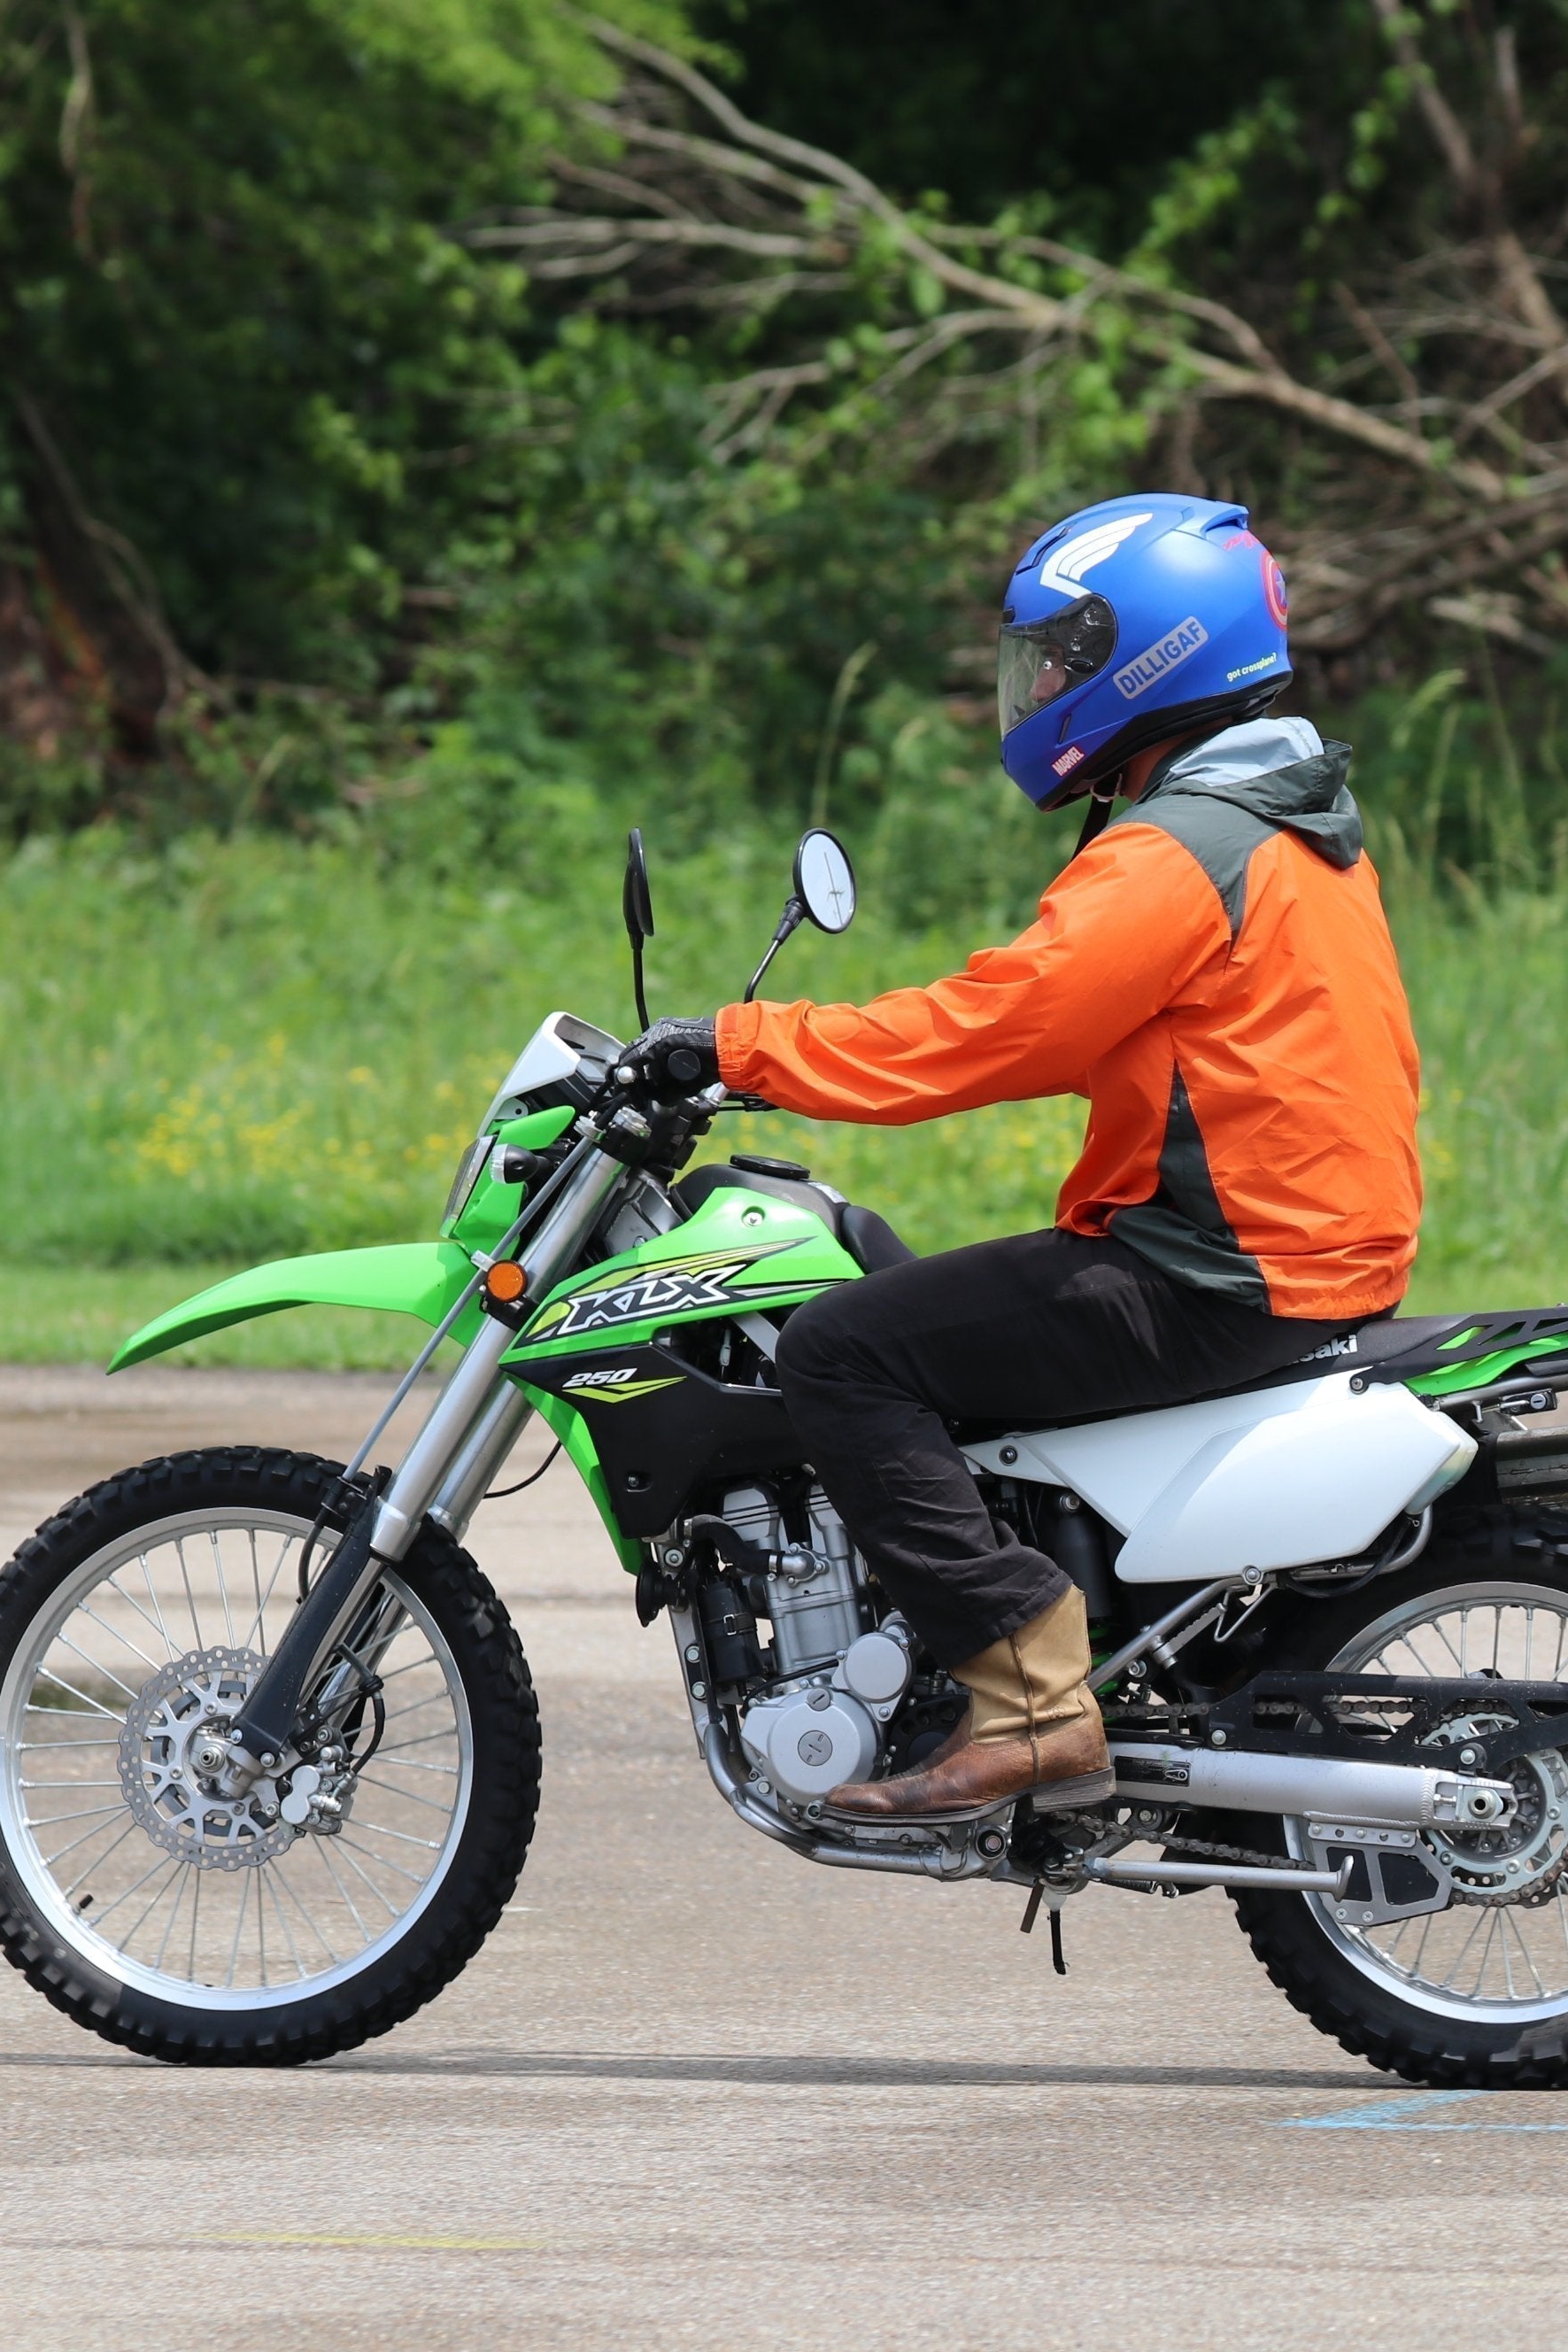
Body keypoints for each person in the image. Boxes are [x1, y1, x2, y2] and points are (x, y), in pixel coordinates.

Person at [622, 494, 1422, 1824]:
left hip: (1220, 1270)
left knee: (840, 1349)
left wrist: (739, 1046)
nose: (1041, 682)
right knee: (900, 1294)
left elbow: (989, 1030)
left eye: (1063, 652)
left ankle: (1040, 1706)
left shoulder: (1181, 849)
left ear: (1155, 654)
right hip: (1298, 1250)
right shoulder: (1284, 822)